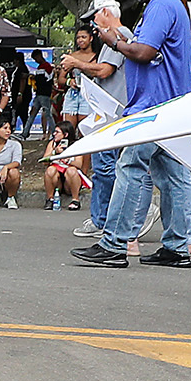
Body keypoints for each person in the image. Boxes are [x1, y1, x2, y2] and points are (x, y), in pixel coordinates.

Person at [72, 0, 191, 268]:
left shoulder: (160, 6)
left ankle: (114, 244)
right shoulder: (172, 5)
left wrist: (113, 42)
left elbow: (144, 52)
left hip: (154, 106)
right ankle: (177, 247)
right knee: (173, 176)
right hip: (171, 103)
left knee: (129, 167)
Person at [61, 16, 125, 237]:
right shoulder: (109, 42)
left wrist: (77, 64)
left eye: (95, 22)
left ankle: (109, 220)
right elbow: (60, 80)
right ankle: (103, 219)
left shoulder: (118, 37)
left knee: (108, 168)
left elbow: (104, 71)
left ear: (106, 14)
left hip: (111, 115)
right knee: (103, 167)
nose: (92, 31)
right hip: (100, 111)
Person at [40, 125, 88, 210]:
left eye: (57, 132)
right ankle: (50, 199)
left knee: (71, 170)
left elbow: (79, 164)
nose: (54, 134)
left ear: (65, 134)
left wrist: (68, 159)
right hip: (57, 179)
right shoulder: (52, 143)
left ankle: (75, 200)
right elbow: (44, 161)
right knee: (50, 170)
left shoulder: (76, 145)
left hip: (70, 180)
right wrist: (54, 152)